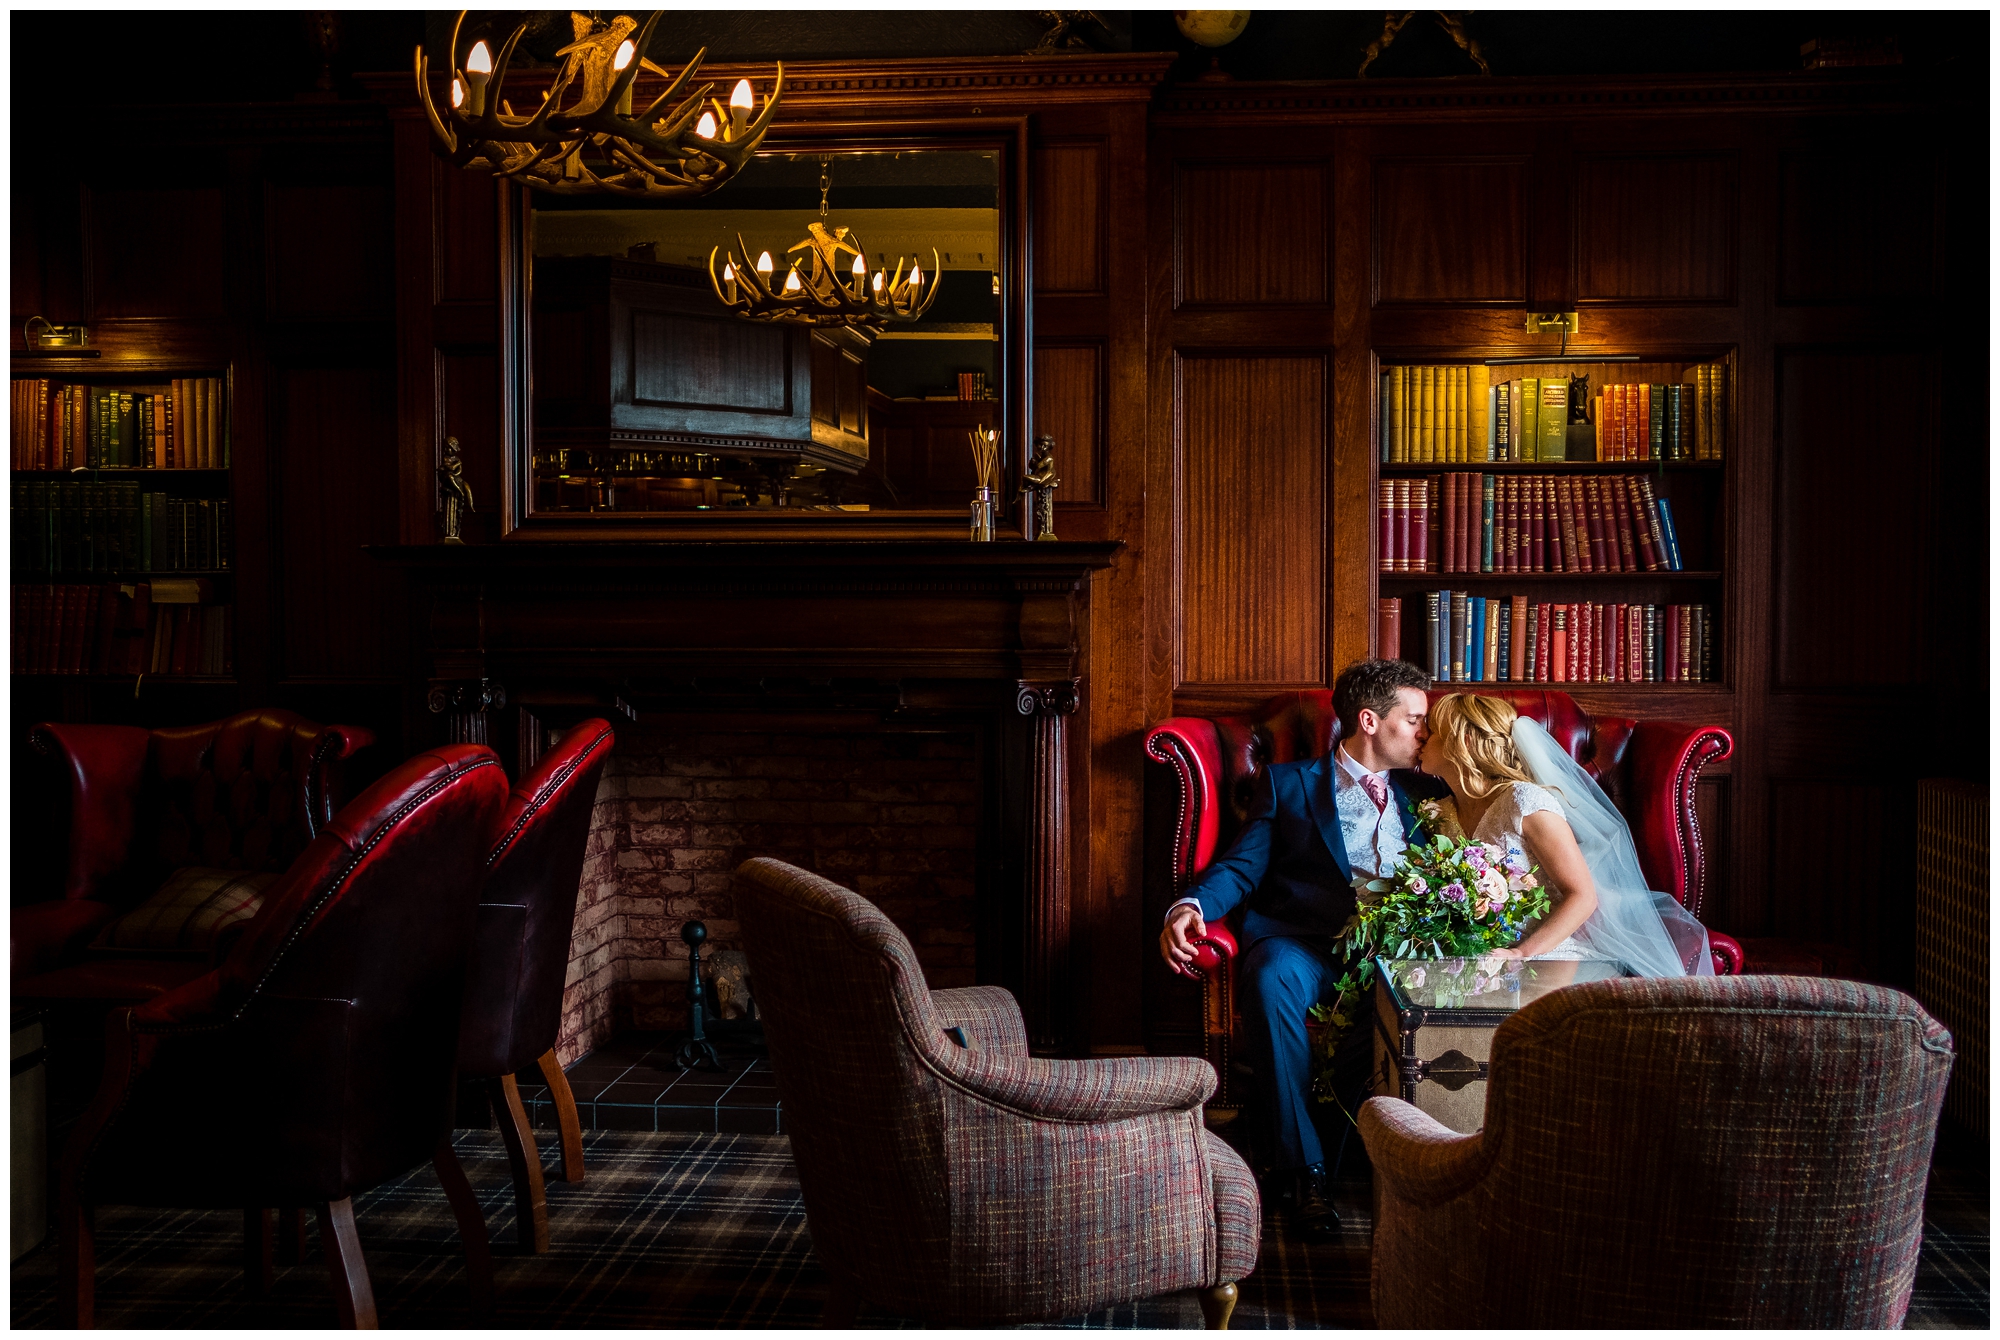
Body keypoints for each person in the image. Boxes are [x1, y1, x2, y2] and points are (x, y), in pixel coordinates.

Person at [1159, 659, 1449, 1238]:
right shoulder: (1288, 785)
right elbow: (1243, 867)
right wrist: (1189, 907)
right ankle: (1304, 1173)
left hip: (1393, 955)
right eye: (1414, 720)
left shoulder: (1428, 792)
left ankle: (1325, 1159)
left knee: (1403, 1003)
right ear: (1369, 720)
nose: (1424, 733)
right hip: (1300, 945)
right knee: (1269, 982)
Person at [1417, 692, 1715, 977]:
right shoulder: (1438, 814)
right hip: (1480, 954)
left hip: (1549, 951)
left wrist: (1522, 953)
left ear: (1463, 742)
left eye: (1430, 731)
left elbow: (1583, 897)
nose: (1420, 737)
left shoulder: (1524, 802)